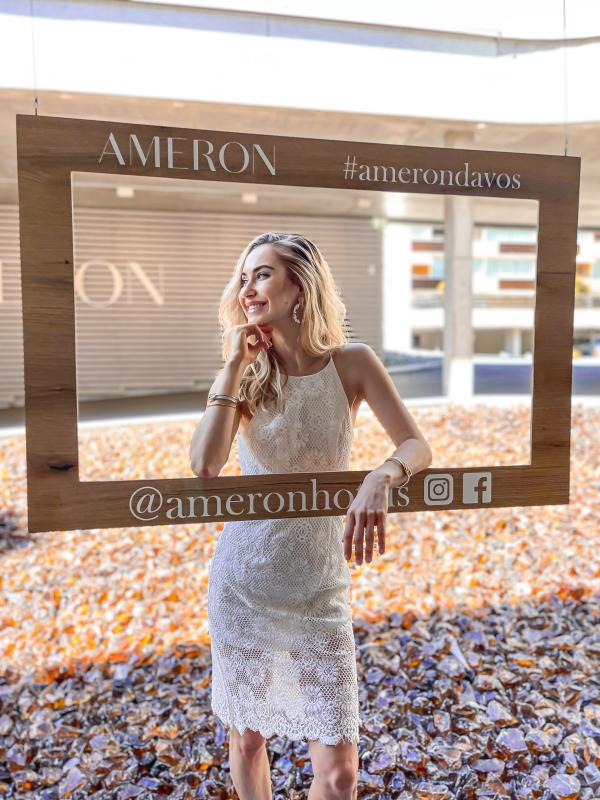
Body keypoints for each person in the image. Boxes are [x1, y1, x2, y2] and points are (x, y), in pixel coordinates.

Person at [189, 232, 432, 800]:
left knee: (341, 770)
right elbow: (205, 465)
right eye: (244, 277)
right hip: (245, 582)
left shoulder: (352, 363)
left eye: (262, 274)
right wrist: (233, 366)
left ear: (299, 285)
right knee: (248, 740)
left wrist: (382, 475)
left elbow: (415, 445)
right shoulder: (246, 372)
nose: (248, 288)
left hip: (320, 586)